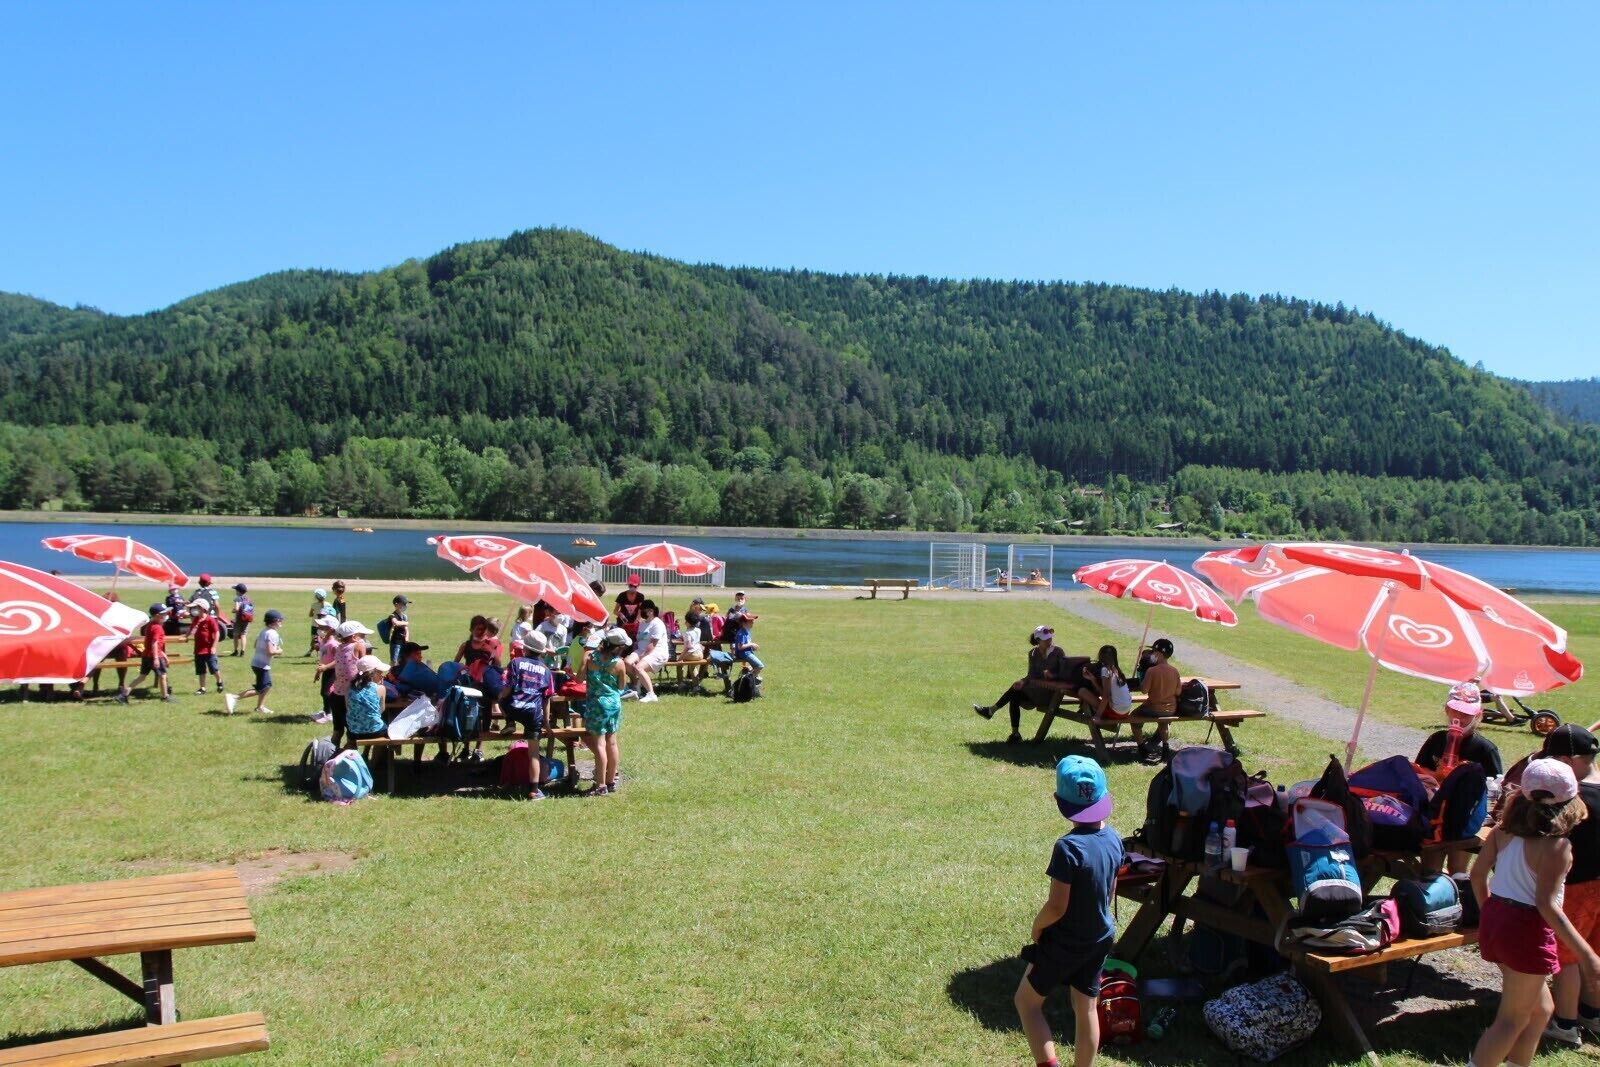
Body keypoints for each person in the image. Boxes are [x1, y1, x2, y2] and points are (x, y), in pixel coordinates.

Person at [1468, 758, 1600, 1067]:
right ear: (1571, 800)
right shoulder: (1557, 848)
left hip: (1496, 919)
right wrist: (1587, 956)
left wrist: (1489, 912)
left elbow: (1477, 876)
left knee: (1541, 1010)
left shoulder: (1501, 832)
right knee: (1511, 1020)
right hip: (1526, 930)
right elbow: (1547, 905)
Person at [1014, 755, 1124, 1067]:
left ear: (1059, 801)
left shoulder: (1068, 849)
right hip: (1100, 935)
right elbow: (1111, 890)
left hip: (1066, 941)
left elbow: (1057, 907)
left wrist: (1037, 927)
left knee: (1027, 1002)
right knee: (1086, 1006)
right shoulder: (1115, 839)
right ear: (1104, 795)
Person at [1541, 725, 1600, 1046]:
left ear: (1567, 759)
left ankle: (1565, 1024)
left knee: (1568, 957)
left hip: (1576, 887)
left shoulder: (1572, 798)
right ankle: (1592, 1013)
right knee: (1594, 949)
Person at [972, 626, 1072, 744]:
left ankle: (992, 711)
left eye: (1050, 638)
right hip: (1035, 690)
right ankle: (1015, 733)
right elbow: (1031, 675)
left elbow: (1066, 673)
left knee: (1014, 693)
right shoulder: (1033, 653)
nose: (1049, 641)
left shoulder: (1058, 652)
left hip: (1051, 694)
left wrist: (1053, 676)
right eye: (1046, 639)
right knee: (1015, 691)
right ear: (1038, 640)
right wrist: (1022, 682)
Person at [579, 628, 629, 796]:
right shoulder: (619, 663)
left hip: (596, 704)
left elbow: (579, 678)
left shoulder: (590, 657)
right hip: (613, 704)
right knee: (612, 742)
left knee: (599, 744)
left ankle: (600, 785)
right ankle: (611, 780)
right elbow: (622, 686)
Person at [1417, 682, 1504, 778]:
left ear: (1478, 715)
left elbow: (1494, 786)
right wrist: (1437, 775)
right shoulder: (1436, 739)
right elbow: (1418, 769)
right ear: (1447, 709)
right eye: (1455, 710)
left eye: (1466, 713)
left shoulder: (1485, 749)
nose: (1458, 717)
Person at [1130, 638, 1180, 763]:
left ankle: (1142, 748)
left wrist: (1141, 675)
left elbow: (1144, 690)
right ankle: (1165, 748)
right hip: (1170, 709)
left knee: (1133, 717)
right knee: (1163, 723)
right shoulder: (1175, 671)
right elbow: (1178, 691)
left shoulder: (1152, 671)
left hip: (1153, 708)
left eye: (1153, 652)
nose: (1152, 655)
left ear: (1158, 654)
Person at [327, 620, 373, 747]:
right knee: (352, 733)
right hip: (351, 695)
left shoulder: (339, 647)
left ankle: (330, 754)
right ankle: (347, 758)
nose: (363, 639)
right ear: (354, 637)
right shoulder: (358, 646)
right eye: (361, 636)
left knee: (338, 730)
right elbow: (365, 666)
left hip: (336, 693)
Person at [502, 634, 555, 743]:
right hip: (534, 713)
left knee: (501, 696)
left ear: (525, 648)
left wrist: (501, 698)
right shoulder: (546, 670)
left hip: (513, 708)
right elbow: (547, 698)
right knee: (534, 753)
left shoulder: (515, 662)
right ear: (541, 651)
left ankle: (510, 722)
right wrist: (546, 723)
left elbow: (507, 689)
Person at [231, 608, 284, 715]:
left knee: (266, 685)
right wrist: (279, 651)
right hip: (262, 665)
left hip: (256, 662)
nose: (281, 622)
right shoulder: (273, 634)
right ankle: (234, 697)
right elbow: (270, 651)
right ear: (274, 621)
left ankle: (260, 707)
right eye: (280, 620)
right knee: (262, 688)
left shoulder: (264, 631)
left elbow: (255, 645)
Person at [117, 604, 172, 703]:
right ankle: (165, 697)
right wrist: (156, 658)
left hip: (146, 655)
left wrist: (164, 655)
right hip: (154, 656)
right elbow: (154, 643)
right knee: (162, 675)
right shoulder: (157, 628)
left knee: (142, 676)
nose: (166, 615)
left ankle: (124, 694)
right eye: (163, 614)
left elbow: (155, 644)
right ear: (156, 615)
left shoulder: (150, 625)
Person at [625, 600, 669, 703]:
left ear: (650, 611)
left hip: (657, 652)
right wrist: (635, 653)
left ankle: (651, 694)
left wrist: (641, 658)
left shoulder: (657, 624)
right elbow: (638, 640)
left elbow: (652, 645)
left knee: (639, 667)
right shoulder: (643, 623)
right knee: (626, 663)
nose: (640, 613)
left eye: (642, 610)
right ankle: (636, 685)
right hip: (640, 650)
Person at [1082, 645, 1131, 724]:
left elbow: (1105, 697)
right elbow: (1107, 695)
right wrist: (1093, 680)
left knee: (1082, 691)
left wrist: (1097, 716)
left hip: (1116, 713)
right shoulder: (1116, 669)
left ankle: (1090, 712)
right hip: (1126, 711)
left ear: (1100, 656)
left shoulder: (1105, 670)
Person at [187, 602, 225, 696]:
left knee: (214, 668)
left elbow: (217, 633)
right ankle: (202, 688)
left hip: (208, 650)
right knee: (201, 670)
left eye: (196, 608)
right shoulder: (196, 619)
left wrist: (214, 646)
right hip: (198, 650)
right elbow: (191, 630)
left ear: (203, 609)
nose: (194, 610)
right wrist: (185, 636)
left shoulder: (210, 620)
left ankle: (219, 681)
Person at [310, 617, 340, 724]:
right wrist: (319, 672)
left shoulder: (333, 644)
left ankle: (329, 714)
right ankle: (325, 711)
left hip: (332, 671)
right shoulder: (324, 641)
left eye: (322, 626)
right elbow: (323, 658)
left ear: (331, 629)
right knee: (323, 692)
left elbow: (339, 660)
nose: (319, 627)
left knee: (327, 692)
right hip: (326, 670)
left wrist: (326, 667)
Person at [730, 611, 763, 684]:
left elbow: (746, 644)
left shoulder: (747, 631)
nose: (753, 622)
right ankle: (746, 680)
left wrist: (752, 647)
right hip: (744, 654)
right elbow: (740, 647)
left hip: (748, 652)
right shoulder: (741, 633)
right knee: (760, 666)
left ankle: (749, 679)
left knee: (756, 667)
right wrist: (751, 644)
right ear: (744, 623)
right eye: (751, 621)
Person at [614, 575, 645, 642]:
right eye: (631, 585)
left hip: (635, 624)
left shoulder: (640, 596)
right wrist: (621, 616)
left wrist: (636, 621)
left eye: (635, 586)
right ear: (628, 584)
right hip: (622, 624)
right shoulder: (622, 595)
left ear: (638, 585)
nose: (632, 588)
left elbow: (640, 611)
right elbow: (615, 611)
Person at [384, 596, 411, 665]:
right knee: (394, 660)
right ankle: (392, 673)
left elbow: (406, 629)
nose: (405, 606)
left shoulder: (404, 616)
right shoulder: (392, 615)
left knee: (403, 659)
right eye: (403, 604)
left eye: (405, 604)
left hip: (403, 641)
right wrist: (406, 623)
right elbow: (395, 622)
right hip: (395, 642)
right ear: (396, 604)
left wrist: (407, 638)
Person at [306, 588, 333, 656]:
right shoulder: (329, 605)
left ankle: (316, 653)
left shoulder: (314, 605)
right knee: (323, 639)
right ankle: (319, 652)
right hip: (325, 625)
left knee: (314, 640)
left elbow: (310, 614)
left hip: (315, 625)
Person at [230, 583, 254, 657]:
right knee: (243, 635)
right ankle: (242, 652)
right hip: (247, 619)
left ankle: (235, 651)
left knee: (236, 635)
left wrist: (233, 610)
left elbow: (237, 608)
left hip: (239, 619)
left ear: (238, 591)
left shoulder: (238, 598)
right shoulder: (248, 599)